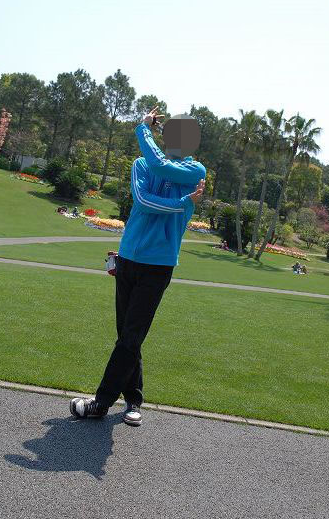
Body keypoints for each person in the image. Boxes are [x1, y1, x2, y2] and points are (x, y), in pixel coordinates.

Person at [70, 107, 206, 427]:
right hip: (129, 257)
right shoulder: (141, 164)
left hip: (159, 264)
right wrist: (184, 203)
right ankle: (134, 399)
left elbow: (162, 166)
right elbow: (144, 202)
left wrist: (143, 128)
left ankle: (101, 403)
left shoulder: (194, 170)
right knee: (128, 336)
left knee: (131, 336)